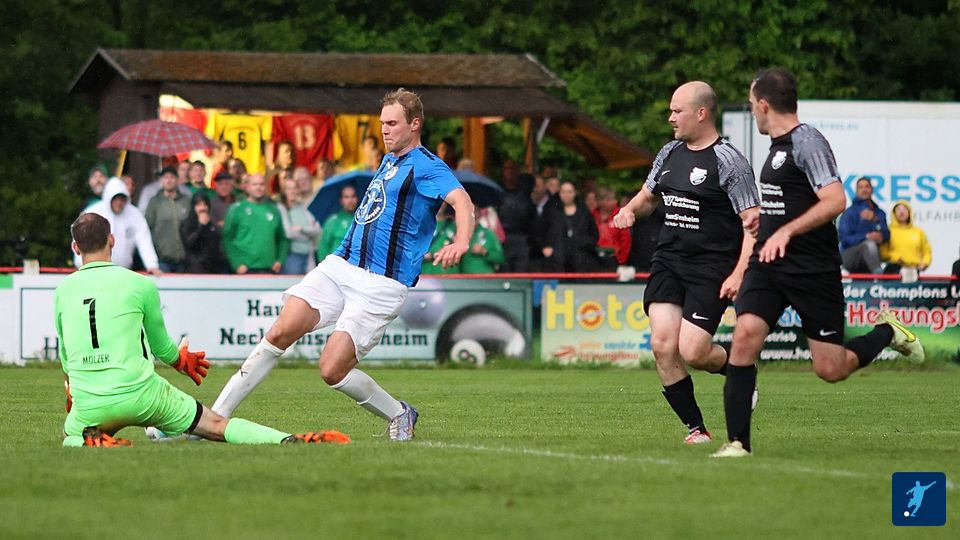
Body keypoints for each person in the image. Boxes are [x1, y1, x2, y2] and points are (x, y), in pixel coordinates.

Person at [206, 88, 474, 442]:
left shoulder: (428, 166)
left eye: (392, 123)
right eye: (382, 123)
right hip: (341, 265)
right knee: (280, 331)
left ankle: (398, 412)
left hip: (381, 282)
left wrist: (461, 241)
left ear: (415, 124)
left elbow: (462, 200)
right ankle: (213, 420)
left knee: (332, 369)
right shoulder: (389, 160)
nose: (384, 130)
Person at [712, 68, 923, 458]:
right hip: (769, 264)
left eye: (752, 103)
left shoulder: (806, 141)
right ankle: (738, 443)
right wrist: (765, 222)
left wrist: (787, 231)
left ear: (764, 105)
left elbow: (835, 200)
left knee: (831, 369)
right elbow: (791, 202)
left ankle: (887, 333)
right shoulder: (775, 148)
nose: (752, 111)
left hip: (812, 269)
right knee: (744, 336)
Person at [58, 213, 346, 447]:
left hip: (91, 402)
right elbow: (161, 349)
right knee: (217, 425)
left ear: (75, 247)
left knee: (69, 434)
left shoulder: (62, 290)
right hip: (142, 396)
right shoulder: (140, 283)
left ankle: (87, 440)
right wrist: (182, 361)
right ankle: (288, 439)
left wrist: (73, 391)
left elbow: (67, 358)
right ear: (112, 240)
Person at [613, 81, 761, 445]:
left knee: (693, 351)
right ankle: (697, 429)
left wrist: (740, 271)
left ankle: (741, 369)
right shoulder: (669, 152)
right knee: (662, 345)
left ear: (701, 113)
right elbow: (648, 197)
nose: (670, 117)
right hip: (669, 260)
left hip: (711, 266)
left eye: (677, 111)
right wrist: (629, 210)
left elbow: (753, 223)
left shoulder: (729, 161)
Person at [77, 176, 161, 275]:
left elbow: (144, 240)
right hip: (97, 271)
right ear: (109, 198)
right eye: (116, 199)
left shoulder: (135, 215)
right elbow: (82, 238)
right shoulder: (94, 212)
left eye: (122, 199)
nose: (119, 203)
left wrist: (152, 265)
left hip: (125, 271)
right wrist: (81, 265)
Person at [222, 173, 289, 274]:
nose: (258, 187)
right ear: (247, 187)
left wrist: (280, 260)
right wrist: (236, 263)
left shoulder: (274, 210)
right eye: (255, 184)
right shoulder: (237, 209)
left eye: (261, 184)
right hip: (245, 269)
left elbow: (283, 239)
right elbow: (227, 239)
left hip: (269, 269)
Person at [543, 181, 600, 272]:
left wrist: (584, 244)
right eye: (564, 192)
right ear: (560, 193)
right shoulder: (552, 212)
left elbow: (594, 235)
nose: (567, 195)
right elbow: (542, 231)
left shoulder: (584, 212)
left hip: (581, 260)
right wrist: (546, 246)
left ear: (575, 193)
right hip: (557, 261)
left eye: (570, 192)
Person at [144, 166, 191, 273]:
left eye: (172, 177)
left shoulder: (186, 201)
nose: (169, 180)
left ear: (177, 180)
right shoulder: (154, 202)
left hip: (184, 259)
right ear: (161, 180)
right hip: (162, 259)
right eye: (166, 177)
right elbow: (147, 228)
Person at [838, 176, 888, 274]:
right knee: (869, 244)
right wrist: (866, 237)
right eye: (861, 187)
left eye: (867, 186)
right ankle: (878, 274)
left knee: (871, 245)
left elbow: (886, 235)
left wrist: (876, 222)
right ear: (856, 191)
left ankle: (878, 273)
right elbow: (844, 238)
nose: (864, 189)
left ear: (872, 190)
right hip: (850, 256)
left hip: (873, 256)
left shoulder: (879, 213)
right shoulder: (849, 213)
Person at [277, 177, 321, 274]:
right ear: (284, 191)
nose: (292, 191)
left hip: (308, 255)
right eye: (288, 188)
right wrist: (308, 235)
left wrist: (302, 229)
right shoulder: (281, 208)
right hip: (292, 255)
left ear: (298, 190)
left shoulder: (304, 207)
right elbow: (289, 233)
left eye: (294, 188)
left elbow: (317, 230)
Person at [180, 191, 227, 273]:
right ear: (193, 207)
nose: (202, 208)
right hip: (195, 269)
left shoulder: (211, 224)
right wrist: (201, 226)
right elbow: (189, 243)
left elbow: (217, 244)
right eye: (199, 205)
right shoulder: (187, 223)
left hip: (213, 269)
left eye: (205, 205)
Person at [881, 200, 931, 277]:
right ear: (894, 213)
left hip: (914, 270)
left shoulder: (918, 232)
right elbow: (883, 251)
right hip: (893, 269)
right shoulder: (888, 231)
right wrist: (896, 258)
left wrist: (925, 262)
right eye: (898, 209)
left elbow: (927, 251)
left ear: (909, 212)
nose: (901, 212)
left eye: (904, 209)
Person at [316, 184, 359, 260]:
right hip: (336, 264)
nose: (350, 200)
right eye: (346, 197)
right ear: (341, 200)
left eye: (353, 196)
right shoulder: (332, 221)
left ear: (357, 198)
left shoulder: (363, 221)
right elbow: (323, 247)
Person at [593, 186, 631, 270]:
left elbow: (626, 240)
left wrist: (622, 261)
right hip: (595, 260)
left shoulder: (620, 215)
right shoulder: (592, 216)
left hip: (615, 260)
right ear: (600, 202)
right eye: (609, 200)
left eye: (614, 199)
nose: (615, 202)